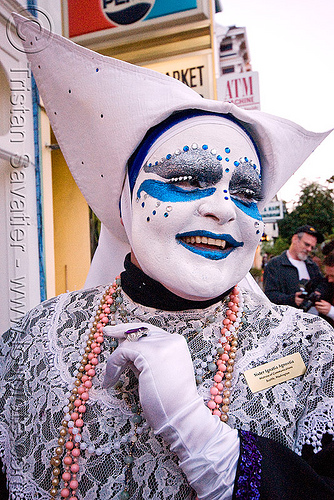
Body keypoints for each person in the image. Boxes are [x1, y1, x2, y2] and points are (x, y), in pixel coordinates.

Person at [1, 13, 334, 500]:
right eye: (185, 179)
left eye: (245, 192)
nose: (222, 207)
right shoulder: (34, 343)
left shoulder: (312, 353)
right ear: (126, 203)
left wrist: (208, 445)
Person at [263, 225, 324, 309]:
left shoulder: (312, 265)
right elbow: (269, 295)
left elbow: (322, 284)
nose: (309, 249)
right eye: (306, 244)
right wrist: (291, 299)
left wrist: (318, 293)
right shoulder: (275, 264)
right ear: (295, 239)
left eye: (312, 247)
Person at [315, 253, 334, 326]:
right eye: (327, 275)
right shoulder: (327, 283)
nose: (329, 280)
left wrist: (330, 311)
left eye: (332, 276)